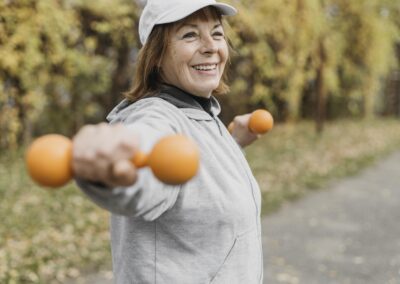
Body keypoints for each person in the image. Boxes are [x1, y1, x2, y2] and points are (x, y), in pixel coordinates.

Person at [73, 0, 263, 283]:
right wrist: (114, 175)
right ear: (157, 55)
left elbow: (196, 180)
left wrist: (232, 143)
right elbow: (148, 161)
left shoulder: (200, 112)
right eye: (190, 34)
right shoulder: (155, 118)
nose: (211, 46)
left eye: (217, 33)